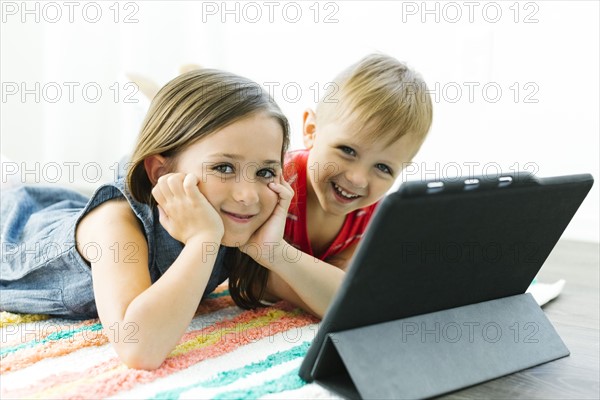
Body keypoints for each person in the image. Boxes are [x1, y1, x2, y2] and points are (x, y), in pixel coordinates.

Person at [0, 68, 297, 370]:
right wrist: (203, 240)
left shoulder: (236, 220)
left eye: (265, 172)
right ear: (160, 172)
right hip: (14, 228)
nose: (248, 195)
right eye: (223, 168)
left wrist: (274, 250)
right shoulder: (116, 225)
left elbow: (342, 310)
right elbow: (138, 348)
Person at [237, 54, 434, 317]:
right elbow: (254, 279)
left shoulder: (372, 214)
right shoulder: (276, 184)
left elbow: (339, 277)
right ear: (311, 130)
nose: (358, 179)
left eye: (383, 168)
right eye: (347, 150)